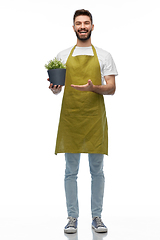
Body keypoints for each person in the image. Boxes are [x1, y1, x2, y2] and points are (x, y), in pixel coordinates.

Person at [48, 9, 118, 234]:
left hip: (94, 118)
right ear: (73, 27)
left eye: (86, 23)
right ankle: (72, 217)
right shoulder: (62, 55)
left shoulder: (105, 55)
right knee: (71, 171)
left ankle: (97, 217)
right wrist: (55, 88)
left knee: (97, 171)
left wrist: (93, 87)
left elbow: (112, 88)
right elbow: (57, 91)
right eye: (78, 23)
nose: (82, 26)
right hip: (71, 118)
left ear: (92, 26)